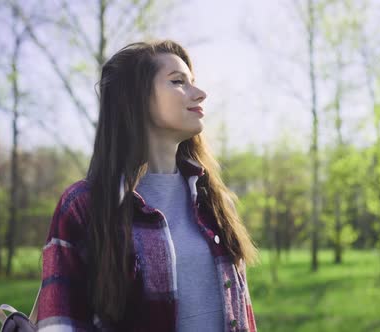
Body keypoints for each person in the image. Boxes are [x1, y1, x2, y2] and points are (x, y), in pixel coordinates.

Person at [37, 39, 260, 332]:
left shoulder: (216, 203)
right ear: (136, 98)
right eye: (179, 81)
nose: (200, 93)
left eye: (193, 81)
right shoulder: (84, 206)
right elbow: (61, 325)